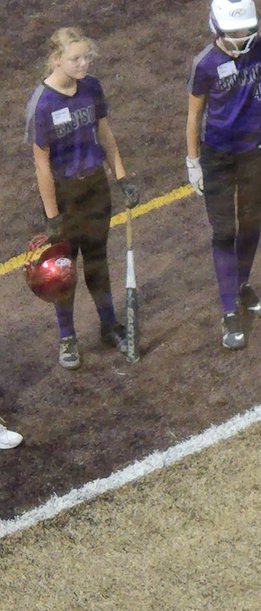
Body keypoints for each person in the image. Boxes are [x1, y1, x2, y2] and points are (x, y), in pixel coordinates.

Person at [25, 27, 139, 371]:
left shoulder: (91, 87)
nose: (83, 63)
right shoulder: (42, 104)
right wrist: (52, 214)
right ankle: (67, 337)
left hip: (95, 190)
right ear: (56, 59)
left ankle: (109, 326)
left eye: (86, 56)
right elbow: (41, 164)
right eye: (75, 58)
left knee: (97, 263)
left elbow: (104, 132)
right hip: (65, 196)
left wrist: (120, 175)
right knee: (63, 271)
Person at [186, 0, 261, 351]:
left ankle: (241, 284)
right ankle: (229, 311)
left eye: (245, 30)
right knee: (224, 230)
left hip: (253, 151)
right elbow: (194, 116)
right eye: (233, 32)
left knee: (250, 224)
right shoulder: (205, 64)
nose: (241, 37)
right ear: (216, 28)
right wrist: (193, 162)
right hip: (217, 156)